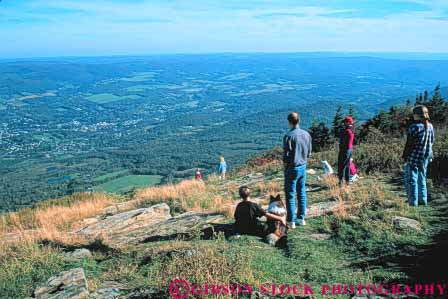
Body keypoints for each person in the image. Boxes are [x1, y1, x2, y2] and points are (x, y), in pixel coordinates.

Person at [283, 112, 312, 229]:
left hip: (292, 167)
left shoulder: (288, 136)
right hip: (303, 166)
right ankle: (301, 218)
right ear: (299, 120)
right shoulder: (307, 134)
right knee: (301, 192)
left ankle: (291, 221)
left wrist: (285, 167)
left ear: (289, 122)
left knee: (290, 194)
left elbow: (286, 156)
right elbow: (309, 152)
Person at [402, 106, 435, 207]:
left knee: (411, 180)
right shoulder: (430, 126)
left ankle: (413, 202)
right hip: (425, 157)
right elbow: (432, 141)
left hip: (413, 157)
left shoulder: (414, 127)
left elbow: (409, 145)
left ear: (416, 115)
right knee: (422, 178)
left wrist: (405, 156)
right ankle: (423, 200)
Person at [338, 116, 355, 185]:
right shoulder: (352, 129)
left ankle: (341, 182)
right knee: (347, 166)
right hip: (350, 149)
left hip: (344, 150)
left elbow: (343, 141)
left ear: (348, 122)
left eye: (345, 122)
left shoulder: (346, 131)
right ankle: (347, 181)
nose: (344, 123)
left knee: (341, 166)